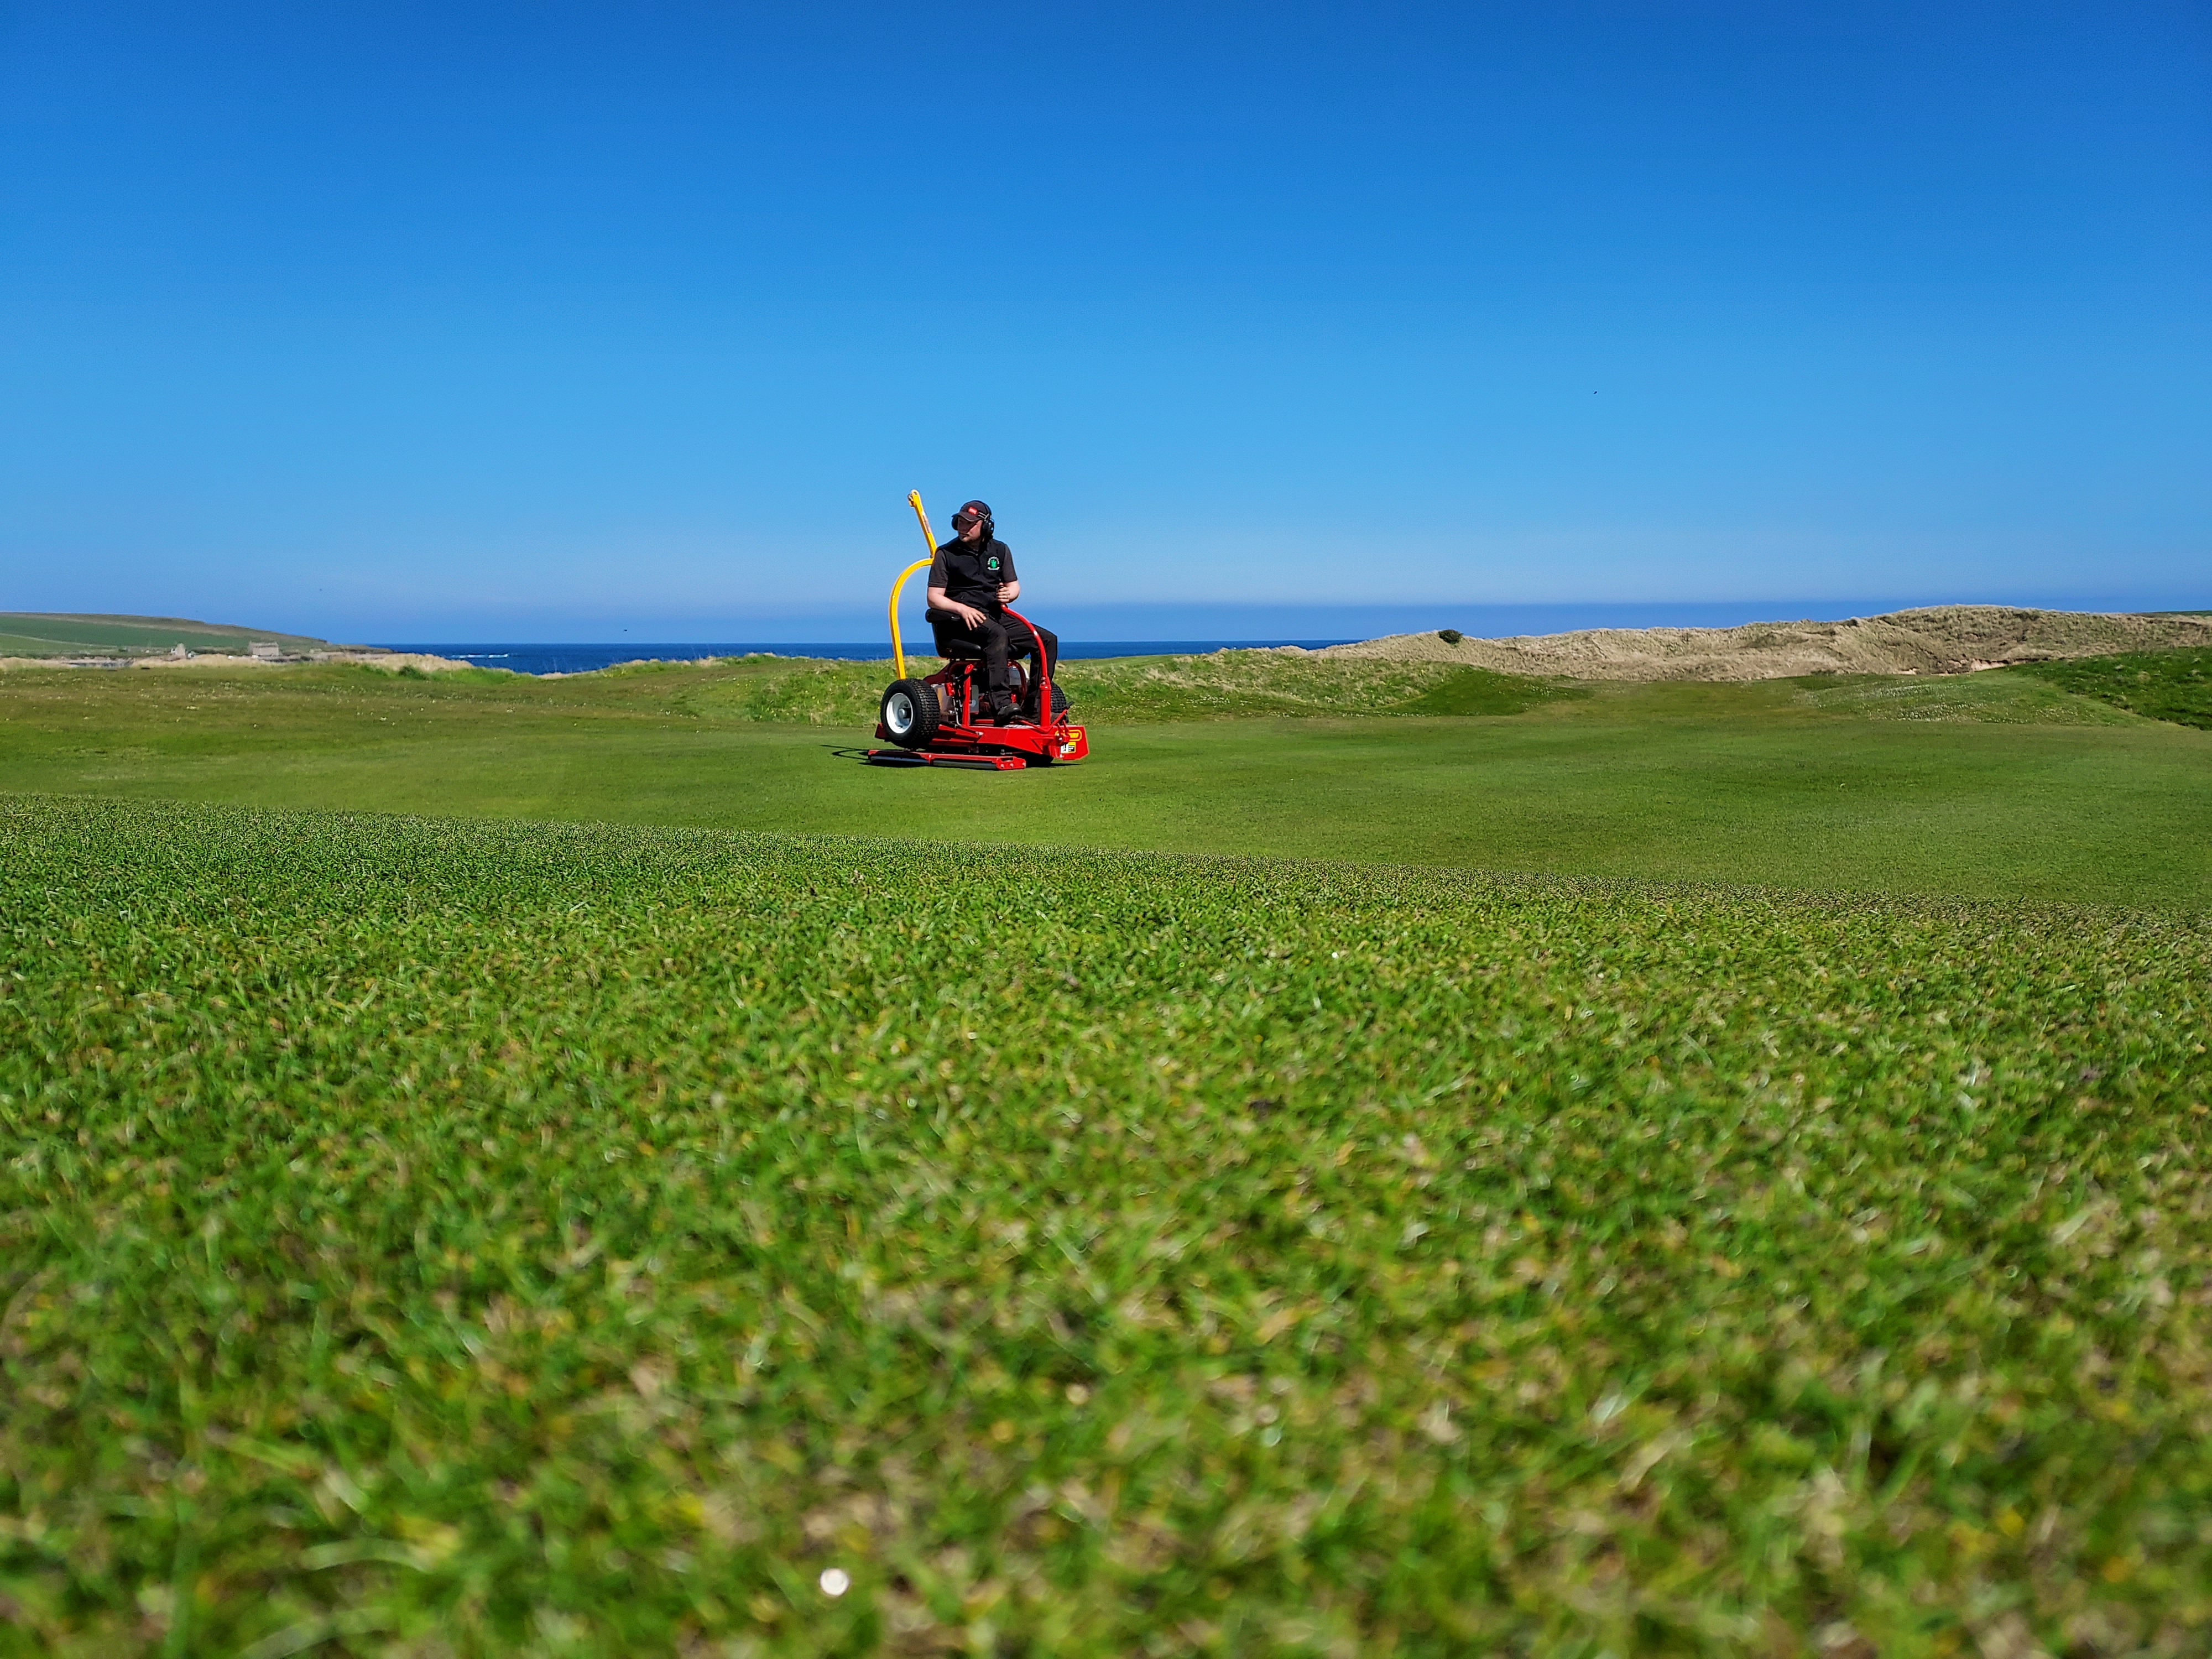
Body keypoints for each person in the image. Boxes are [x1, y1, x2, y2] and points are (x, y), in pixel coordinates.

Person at [925, 499, 1061, 726]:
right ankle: (1003, 705)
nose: (963, 528)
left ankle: (1034, 708)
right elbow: (933, 597)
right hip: (960, 620)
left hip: (994, 614)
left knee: (1046, 640)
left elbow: (1014, 585)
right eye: (959, 522)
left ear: (986, 526)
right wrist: (961, 608)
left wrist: (1010, 594)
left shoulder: (1000, 550)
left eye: (969, 523)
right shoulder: (946, 554)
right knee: (997, 634)